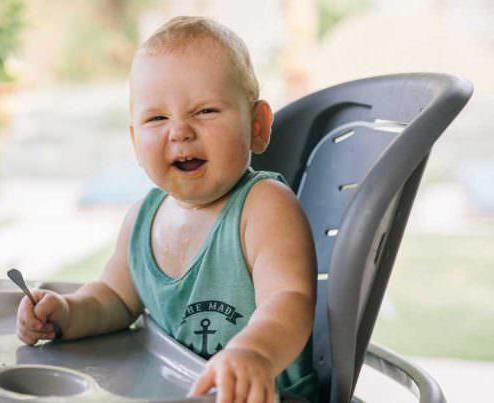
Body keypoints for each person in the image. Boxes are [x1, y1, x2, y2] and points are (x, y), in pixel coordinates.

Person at [16, 16, 319, 403]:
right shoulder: (141, 220)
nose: (180, 131)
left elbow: (290, 299)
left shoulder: (264, 208)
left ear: (257, 126)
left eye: (206, 111)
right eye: (157, 118)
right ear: (134, 141)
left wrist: (254, 353)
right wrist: (66, 315)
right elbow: (113, 299)